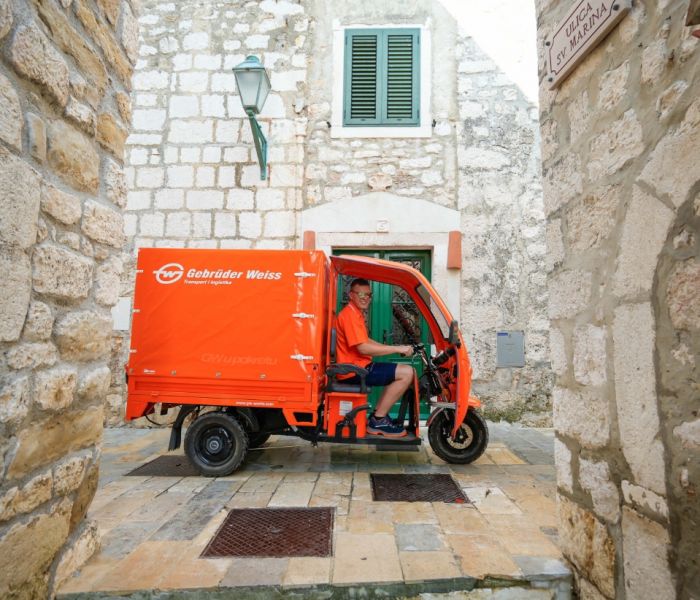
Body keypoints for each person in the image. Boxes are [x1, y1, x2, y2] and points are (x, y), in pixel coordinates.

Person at [335, 278, 415, 438]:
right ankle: (378, 420)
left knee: (402, 372)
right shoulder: (349, 315)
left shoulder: (355, 313)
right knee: (407, 373)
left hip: (359, 367)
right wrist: (395, 348)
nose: (366, 298)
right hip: (353, 371)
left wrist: (392, 347)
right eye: (361, 294)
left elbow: (365, 340)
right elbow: (363, 347)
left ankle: (378, 416)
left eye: (369, 295)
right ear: (351, 295)